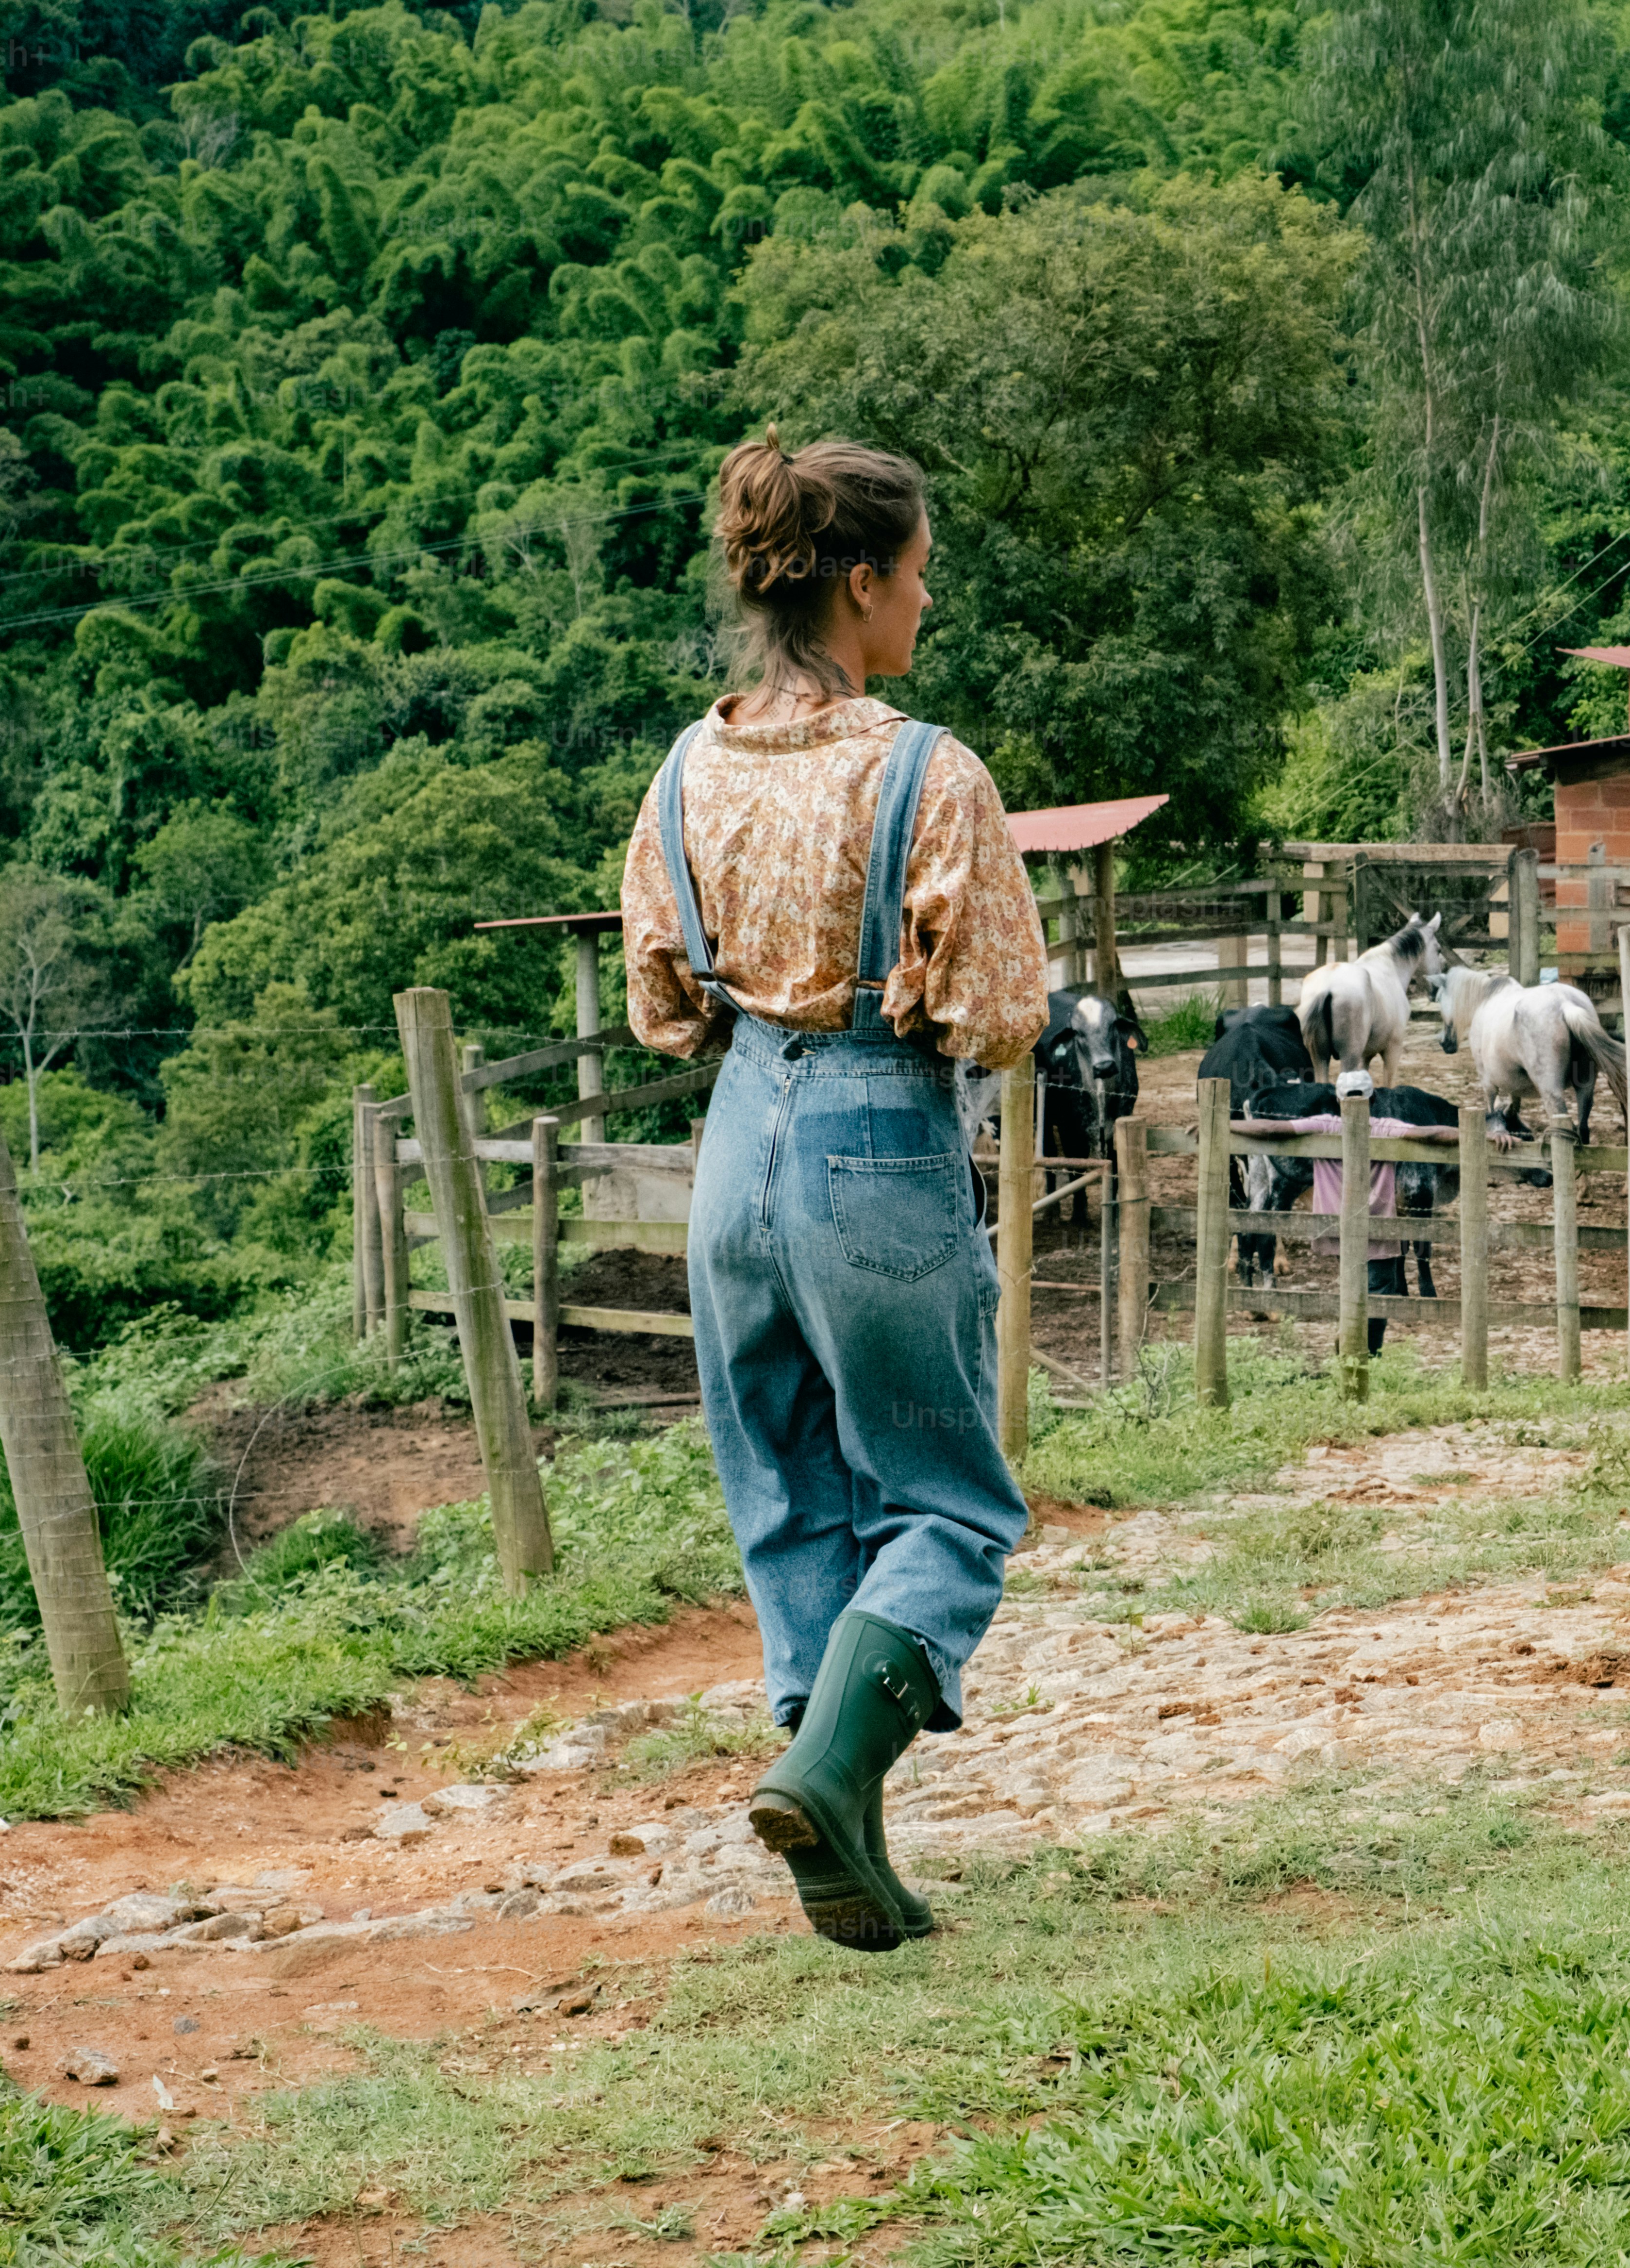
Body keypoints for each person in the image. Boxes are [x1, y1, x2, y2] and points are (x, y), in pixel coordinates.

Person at [620, 431, 1047, 1952]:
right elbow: (997, 1011)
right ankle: (831, 1772)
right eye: (919, 579)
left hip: (733, 1146)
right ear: (861, 584)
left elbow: (661, 1006)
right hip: (877, 1136)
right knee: (946, 1499)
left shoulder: (690, 766)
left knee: (789, 1483)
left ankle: (833, 1803)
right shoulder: (929, 773)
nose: (927, 607)